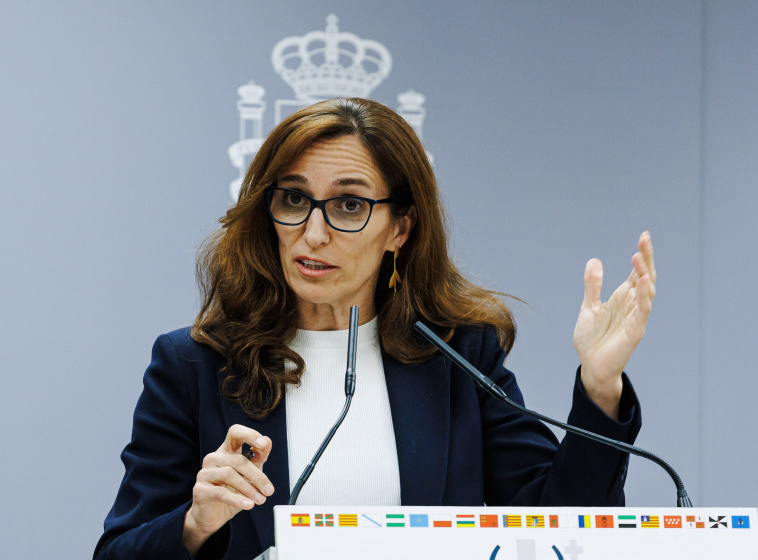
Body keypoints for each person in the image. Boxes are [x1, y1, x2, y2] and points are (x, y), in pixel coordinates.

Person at [93, 97, 652, 560]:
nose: (314, 233)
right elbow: (118, 552)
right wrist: (196, 523)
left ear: (400, 228)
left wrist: (600, 386)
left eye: (349, 205)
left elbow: (561, 527)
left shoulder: (456, 356)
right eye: (294, 199)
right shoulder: (195, 364)